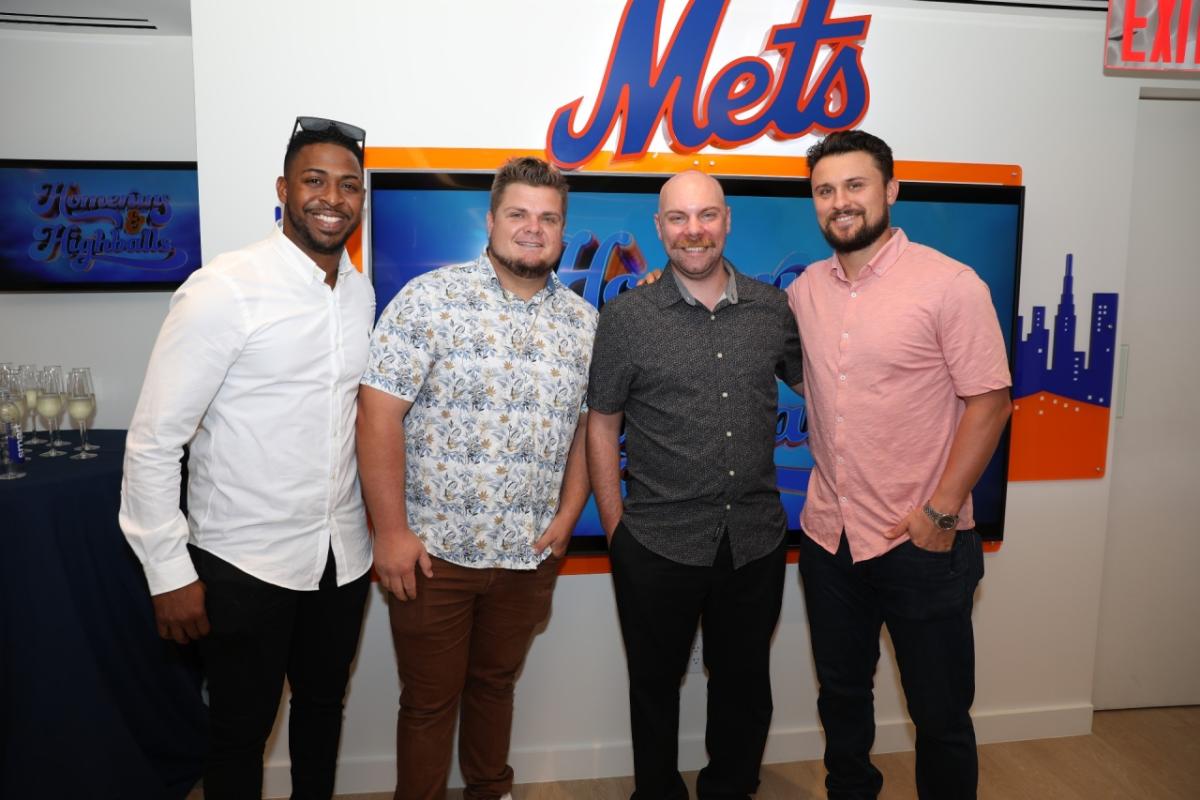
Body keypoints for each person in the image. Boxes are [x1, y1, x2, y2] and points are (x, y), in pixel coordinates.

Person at [120, 116, 375, 800]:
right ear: (283, 189)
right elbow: (153, 440)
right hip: (243, 561)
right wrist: (167, 570)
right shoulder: (225, 288)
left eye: (349, 185)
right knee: (239, 732)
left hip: (340, 557)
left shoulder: (359, 292)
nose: (332, 197)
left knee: (323, 712)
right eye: (315, 180)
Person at [357, 156, 596, 800]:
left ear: (563, 232)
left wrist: (569, 515)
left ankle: (492, 789)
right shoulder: (428, 300)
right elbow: (377, 415)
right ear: (491, 221)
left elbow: (583, 431)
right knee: (431, 702)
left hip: (527, 555)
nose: (532, 228)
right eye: (518, 214)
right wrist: (391, 533)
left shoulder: (583, 324)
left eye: (548, 218)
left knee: (496, 686)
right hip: (432, 555)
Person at [787, 130, 1012, 800]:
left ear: (890, 190)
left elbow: (991, 403)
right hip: (831, 540)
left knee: (940, 719)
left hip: (923, 542)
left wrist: (941, 512)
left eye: (855, 185)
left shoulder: (950, 285)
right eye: (825, 190)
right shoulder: (805, 291)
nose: (840, 202)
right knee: (843, 704)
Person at [587, 170, 804, 800]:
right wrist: (616, 527)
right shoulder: (628, 316)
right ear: (659, 228)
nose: (694, 231)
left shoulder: (773, 309)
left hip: (755, 541)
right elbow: (601, 422)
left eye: (706, 216)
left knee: (744, 689)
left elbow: (823, 384)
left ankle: (729, 789)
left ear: (727, 220)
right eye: (678, 219)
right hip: (655, 542)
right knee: (653, 690)